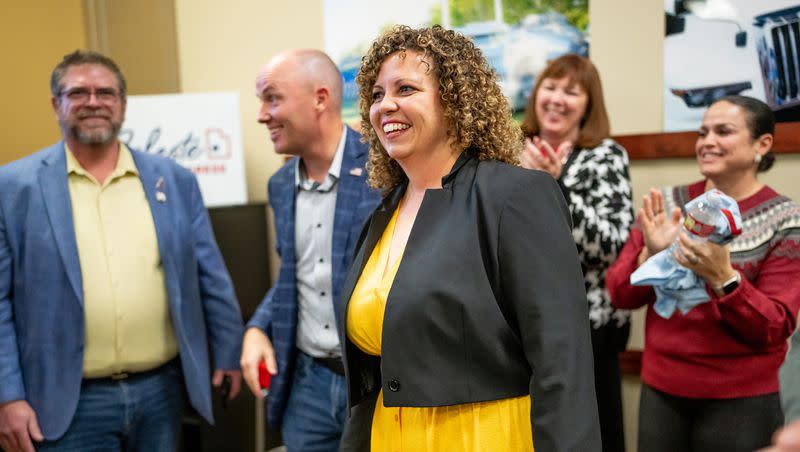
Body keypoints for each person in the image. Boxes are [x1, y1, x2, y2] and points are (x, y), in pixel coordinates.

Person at [334, 25, 601, 451]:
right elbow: (373, 378)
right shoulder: (383, 214)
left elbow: (561, 363)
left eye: (406, 88)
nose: (386, 106)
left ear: (456, 100)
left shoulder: (514, 196)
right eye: (377, 94)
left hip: (483, 436)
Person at [0, 50, 245, 452]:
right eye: (77, 93)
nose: (93, 102)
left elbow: (209, 275)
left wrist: (228, 351)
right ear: (55, 104)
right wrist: (7, 396)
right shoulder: (13, 188)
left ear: (123, 105)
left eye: (106, 93)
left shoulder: (174, 180)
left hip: (161, 393)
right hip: (66, 403)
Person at [606, 95, 800, 452]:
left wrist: (724, 278)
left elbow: (774, 327)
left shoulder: (785, 219)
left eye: (723, 131)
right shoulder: (666, 205)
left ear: (763, 144)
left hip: (743, 400)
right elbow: (619, 293)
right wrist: (651, 252)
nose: (707, 141)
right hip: (662, 391)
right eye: (702, 132)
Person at [239, 49, 380, 452]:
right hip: (306, 388)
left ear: (320, 98)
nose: (262, 115)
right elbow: (295, 277)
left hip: (375, 387)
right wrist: (256, 327)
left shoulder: (386, 170)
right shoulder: (280, 186)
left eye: (272, 98)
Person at [519, 53, 633, 452]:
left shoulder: (605, 156)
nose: (556, 99)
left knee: (590, 435)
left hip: (587, 329)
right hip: (517, 325)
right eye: (550, 87)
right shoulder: (511, 149)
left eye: (571, 92)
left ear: (588, 104)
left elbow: (612, 244)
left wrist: (554, 188)